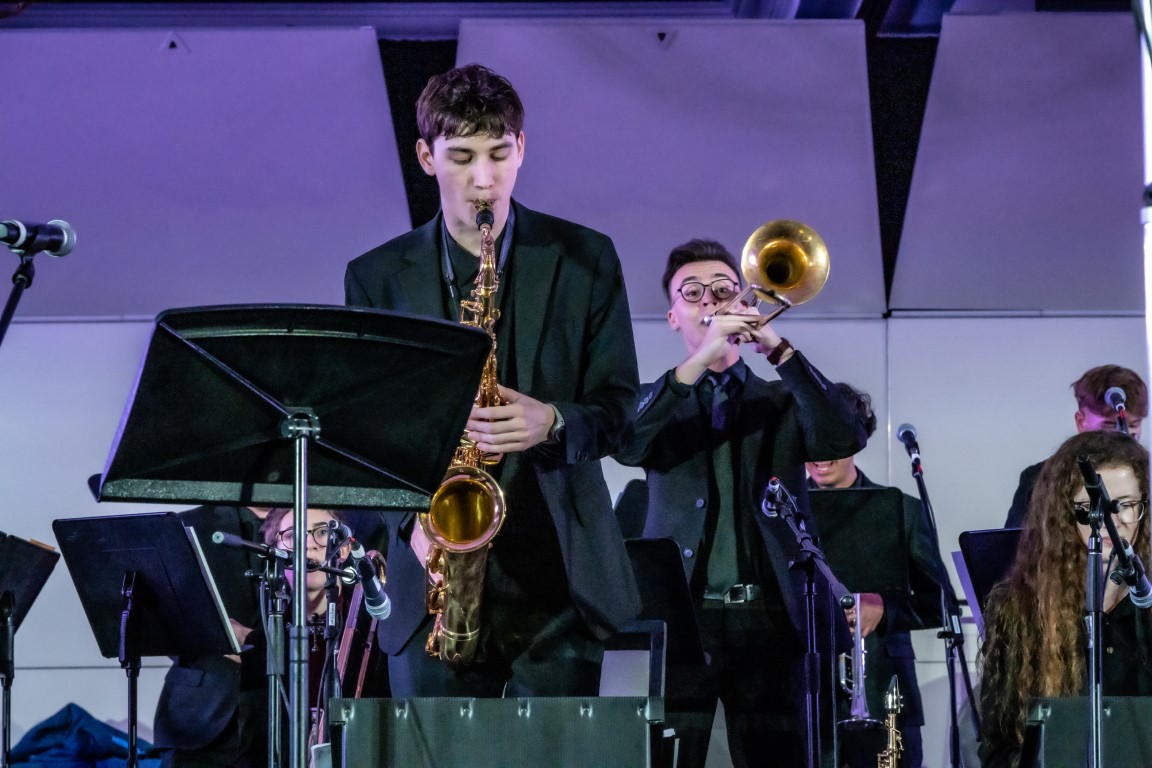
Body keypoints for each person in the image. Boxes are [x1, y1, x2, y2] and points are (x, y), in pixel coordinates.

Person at [343, 63, 641, 698]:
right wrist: (408, 527)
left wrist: (553, 421)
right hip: (433, 585)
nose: (485, 181)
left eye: (500, 154)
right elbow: (359, 435)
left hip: (560, 582)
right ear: (426, 156)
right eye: (462, 157)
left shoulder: (587, 257)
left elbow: (620, 410)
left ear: (522, 149)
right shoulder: (375, 278)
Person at [613, 238, 865, 767]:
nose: (710, 302)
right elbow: (627, 444)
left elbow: (842, 436)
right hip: (681, 621)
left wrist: (776, 346)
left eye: (725, 290)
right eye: (694, 293)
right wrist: (702, 360)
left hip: (770, 620)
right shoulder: (653, 399)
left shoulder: (779, 400)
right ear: (673, 316)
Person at [979, 430, 1152, 767]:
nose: (1111, 521)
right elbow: (998, 745)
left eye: (1126, 505)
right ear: (1062, 513)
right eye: (1091, 508)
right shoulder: (1020, 609)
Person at [805, 383, 952, 768]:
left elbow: (942, 604)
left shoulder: (900, 510)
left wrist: (884, 607)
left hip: (886, 698)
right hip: (802, 704)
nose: (819, 456)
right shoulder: (777, 516)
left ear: (856, 439)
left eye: (833, 441)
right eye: (810, 439)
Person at [152, 505, 267, 768]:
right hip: (199, 719)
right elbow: (161, 617)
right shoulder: (187, 524)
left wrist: (256, 646)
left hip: (281, 719)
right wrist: (220, 637)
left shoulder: (311, 526)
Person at [1004, 365, 1147, 528]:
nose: (1123, 436)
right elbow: (1015, 548)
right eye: (1108, 425)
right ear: (1081, 422)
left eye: (1134, 425)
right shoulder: (1038, 479)